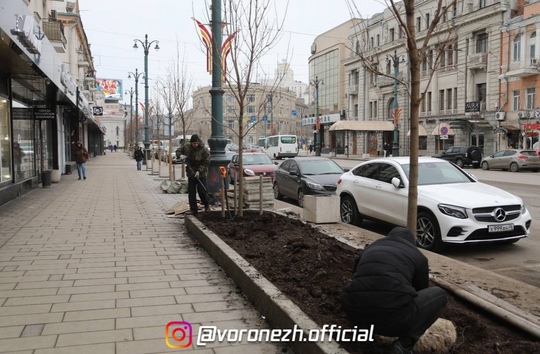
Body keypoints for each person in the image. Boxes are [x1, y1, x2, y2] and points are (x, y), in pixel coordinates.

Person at [341, 227, 447, 354]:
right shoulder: (418, 256)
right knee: (440, 295)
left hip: (356, 315)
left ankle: (364, 339)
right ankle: (404, 344)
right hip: (396, 322)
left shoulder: (370, 248)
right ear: (411, 243)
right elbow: (421, 291)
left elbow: (356, 279)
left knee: (363, 293)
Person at [178, 134, 210, 215]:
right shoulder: (186, 147)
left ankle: (206, 204)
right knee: (191, 192)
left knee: (202, 191)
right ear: (191, 143)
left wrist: (199, 171)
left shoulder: (204, 150)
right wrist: (180, 156)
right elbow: (178, 151)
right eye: (193, 143)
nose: (195, 145)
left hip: (201, 174)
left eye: (196, 143)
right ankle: (193, 209)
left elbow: (206, 162)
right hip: (191, 173)